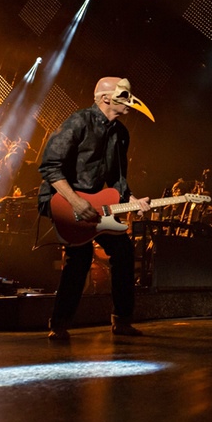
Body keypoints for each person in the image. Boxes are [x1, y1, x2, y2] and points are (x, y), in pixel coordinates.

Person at [38, 76, 154, 340]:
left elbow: (117, 181)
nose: (131, 102)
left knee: (123, 251)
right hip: (64, 199)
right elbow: (49, 167)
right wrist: (77, 202)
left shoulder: (121, 133)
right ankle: (59, 324)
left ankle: (122, 321)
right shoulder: (78, 122)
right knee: (79, 257)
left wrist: (133, 200)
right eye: (125, 97)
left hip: (97, 203)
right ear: (105, 99)